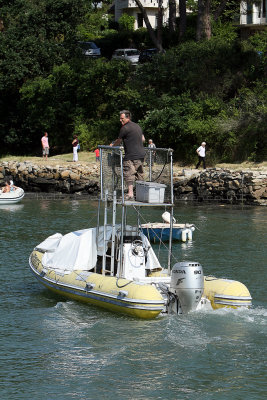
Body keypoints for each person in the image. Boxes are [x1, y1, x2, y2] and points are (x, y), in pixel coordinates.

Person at [110, 110, 145, 200]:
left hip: (131, 156)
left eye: (122, 119)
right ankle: (140, 194)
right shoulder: (137, 126)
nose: (120, 121)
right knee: (139, 174)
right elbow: (143, 139)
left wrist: (112, 146)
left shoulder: (124, 128)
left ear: (128, 117)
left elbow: (119, 140)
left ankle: (130, 194)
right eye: (120, 119)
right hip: (141, 155)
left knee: (129, 173)